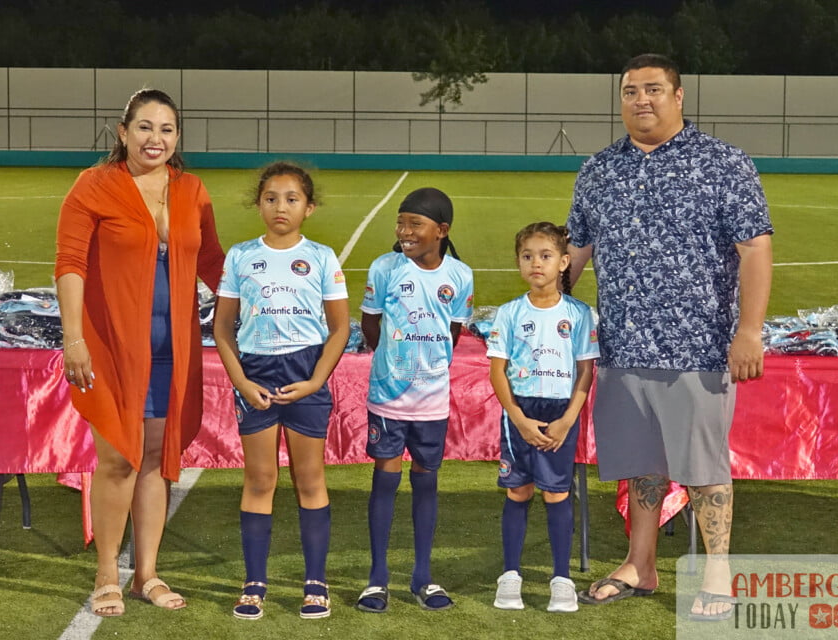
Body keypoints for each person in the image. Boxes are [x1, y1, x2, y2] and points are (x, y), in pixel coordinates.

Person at [566, 53, 773, 622]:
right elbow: (577, 250)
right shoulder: (599, 170)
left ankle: (716, 574)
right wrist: (542, 302)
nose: (641, 100)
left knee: (704, 466)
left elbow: (754, 248)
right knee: (643, 464)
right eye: (630, 91)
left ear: (679, 96)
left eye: (653, 89)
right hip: (624, 347)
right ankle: (642, 563)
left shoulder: (723, 163)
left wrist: (749, 331)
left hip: (698, 347)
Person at [55, 88, 226, 616]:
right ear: (123, 132)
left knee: (157, 459)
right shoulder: (95, 185)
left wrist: (273, 307)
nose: (157, 138)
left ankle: (146, 573)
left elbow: (216, 265)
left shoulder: (191, 189)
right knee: (118, 459)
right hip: (110, 347)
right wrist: (74, 336)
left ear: (177, 139)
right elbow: (70, 264)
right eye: (146, 127)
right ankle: (108, 570)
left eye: (167, 129)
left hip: (174, 348)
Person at [212, 162, 349, 620]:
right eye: (271, 198)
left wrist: (315, 381)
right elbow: (223, 328)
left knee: (309, 480)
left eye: (291, 199)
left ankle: (315, 583)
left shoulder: (324, 257)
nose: (280, 207)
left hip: (305, 373)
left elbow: (340, 328)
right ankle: (254, 584)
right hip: (256, 376)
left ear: (308, 208)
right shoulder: (240, 256)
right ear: (259, 204)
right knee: (260, 480)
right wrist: (242, 382)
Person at [356, 187, 474, 613]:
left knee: (426, 481)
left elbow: (454, 333)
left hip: (432, 402)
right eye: (401, 223)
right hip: (388, 397)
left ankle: (423, 576)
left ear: (441, 231)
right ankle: (377, 578)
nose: (404, 231)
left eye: (415, 224)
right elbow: (371, 327)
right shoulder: (385, 268)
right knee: (385, 479)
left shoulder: (459, 276)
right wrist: (392, 362)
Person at [486, 222, 599, 613]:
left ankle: (561, 579)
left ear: (564, 262)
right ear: (519, 262)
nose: (536, 263)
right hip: (522, 412)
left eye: (546, 256)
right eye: (527, 256)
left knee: (557, 492)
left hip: (560, 414)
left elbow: (586, 370)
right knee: (518, 491)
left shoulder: (581, 314)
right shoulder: (509, 313)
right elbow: (497, 370)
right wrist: (517, 417)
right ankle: (510, 575)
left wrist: (569, 419)